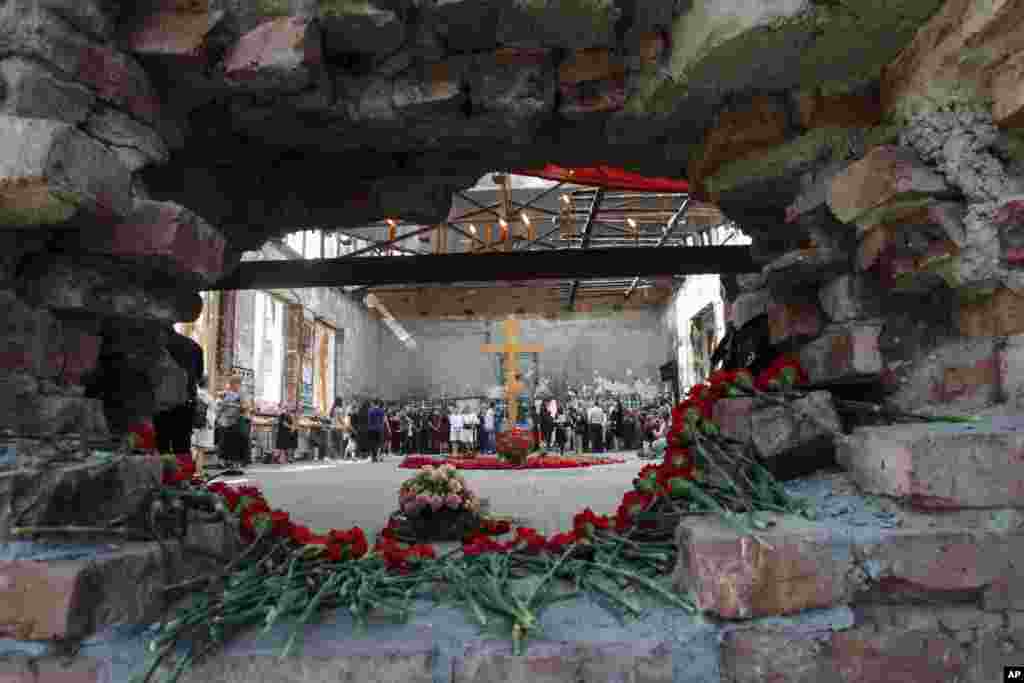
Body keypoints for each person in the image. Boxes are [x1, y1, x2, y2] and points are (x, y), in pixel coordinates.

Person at [154, 329, 204, 456]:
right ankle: (183, 474)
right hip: (186, 403)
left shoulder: (155, 345)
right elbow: (198, 376)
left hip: (159, 404)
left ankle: (163, 473)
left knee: (161, 444)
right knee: (182, 445)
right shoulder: (194, 346)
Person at [215, 375, 245, 471]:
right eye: (238, 383)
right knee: (228, 443)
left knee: (233, 443)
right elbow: (219, 407)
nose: (239, 386)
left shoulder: (239, 394)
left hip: (233, 421)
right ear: (233, 384)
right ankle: (228, 462)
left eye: (239, 384)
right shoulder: (226, 394)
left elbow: (245, 407)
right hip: (227, 422)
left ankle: (233, 463)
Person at [192, 375, 215, 474]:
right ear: (206, 384)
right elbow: (212, 413)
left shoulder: (193, 394)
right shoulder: (208, 397)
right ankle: (198, 472)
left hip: (192, 425)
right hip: (203, 426)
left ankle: (190, 472)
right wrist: (211, 425)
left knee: (192, 448)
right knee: (200, 450)